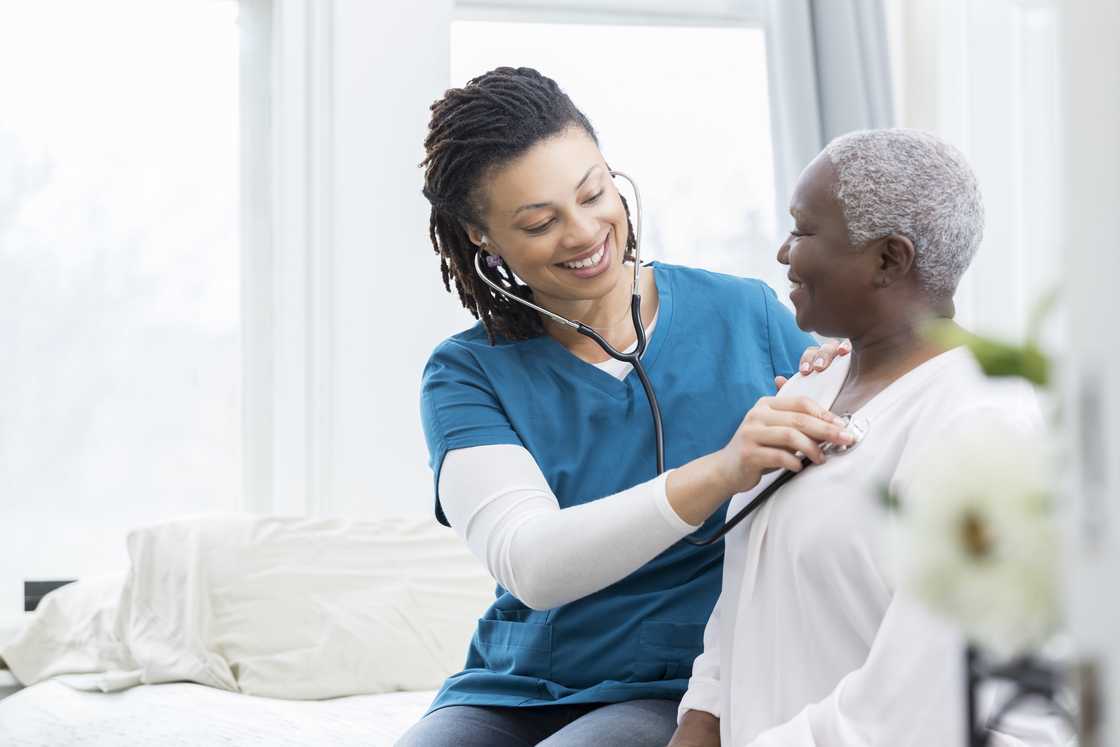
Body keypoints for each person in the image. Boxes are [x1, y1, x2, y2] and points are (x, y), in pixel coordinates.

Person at [395, 67, 849, 747]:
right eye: (541, 221)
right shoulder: (466, 373)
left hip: (677, 684)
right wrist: (723, 470)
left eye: (593, 191)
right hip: (514, 689)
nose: (583, 233)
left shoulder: (744, 315)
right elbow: (533, 563)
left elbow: (854, 470)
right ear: (482, 237)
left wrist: (843, 384)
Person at [669, 129, 1064, 746]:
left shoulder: (985, 424)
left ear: (889, 258)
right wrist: (701, 721)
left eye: (802, 230)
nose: (782, 252)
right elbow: (747, 593)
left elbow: (914, 707)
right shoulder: (804, 392)